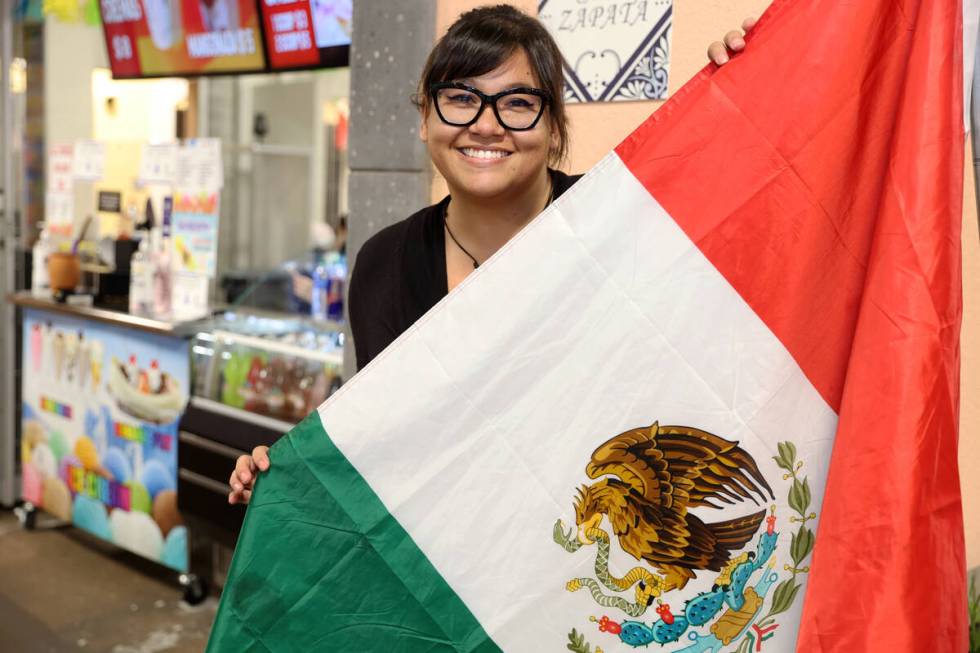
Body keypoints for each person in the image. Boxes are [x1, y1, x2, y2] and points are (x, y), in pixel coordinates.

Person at [229, 6, 755, 505]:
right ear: (424, 117)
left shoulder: (620, 223)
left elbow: (746, 245)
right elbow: (385, 444)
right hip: (455, 573)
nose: (485, 124)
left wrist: (759, 87)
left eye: (518, 103)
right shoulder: (383, 263)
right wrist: (289, 479)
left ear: (554, 129)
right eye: (460, 97)